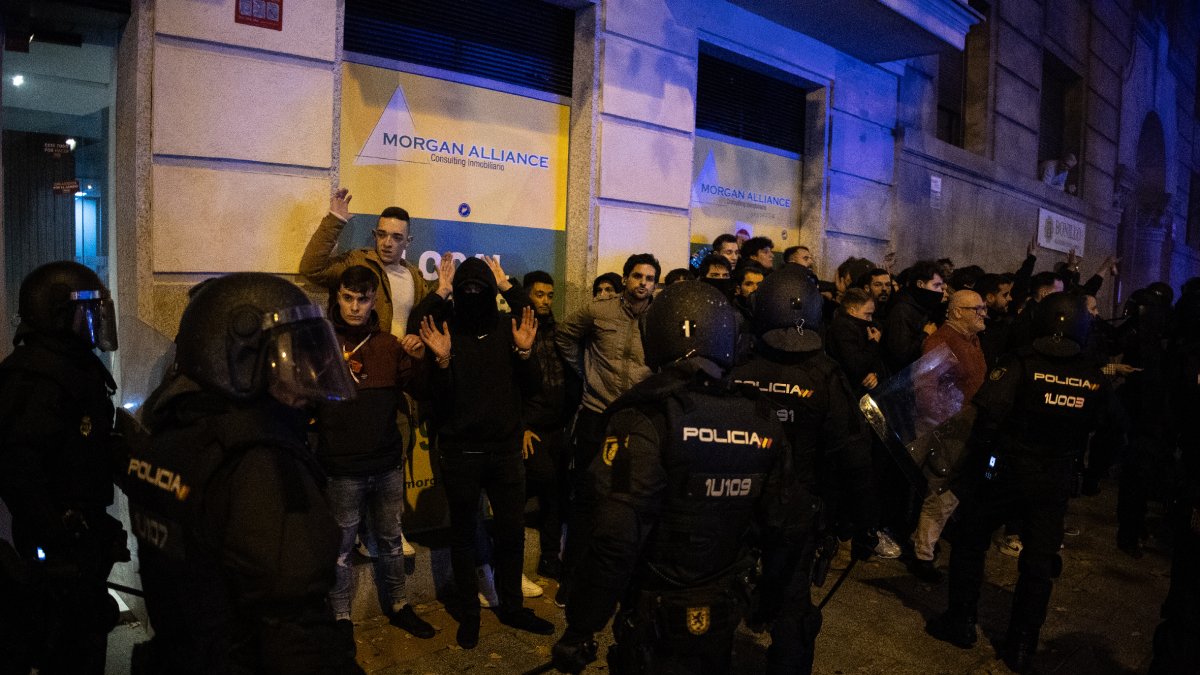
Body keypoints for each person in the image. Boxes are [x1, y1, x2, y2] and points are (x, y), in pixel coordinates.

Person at [122, 272, 363, 674]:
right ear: (238, 358)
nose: (303, 380)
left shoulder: (172, 433)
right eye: (288, 360)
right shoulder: (259, 462)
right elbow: (296, 633)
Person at [551, 281, 792, 674]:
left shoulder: (646, 417)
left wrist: (581, 627)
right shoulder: (761, 418)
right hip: (725, 608)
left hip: (654, 613)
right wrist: (770, 602)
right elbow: (784, 525)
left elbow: (615, 536)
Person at [927, 293, 1108, 674]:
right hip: (1055, 479)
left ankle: (960, 622)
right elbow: (1111, 425)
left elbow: (988, 415)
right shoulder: (1091, 373)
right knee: (1039, 562)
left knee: (971, 541)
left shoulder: (1021, 363)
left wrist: (975, 463)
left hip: (1006, 473)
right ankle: (1022, 644)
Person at [731, 264, 883, 673]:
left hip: (734, 502)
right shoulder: (824, 373)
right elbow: (853, 452)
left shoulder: (737, 365)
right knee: (794, 609)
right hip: (797, 510)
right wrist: (865, 521)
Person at [412, 255, 554, 648]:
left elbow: (533, 384)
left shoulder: (511, 329)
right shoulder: (445, 329)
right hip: (460, 454)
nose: (473, 296)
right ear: (456, 295)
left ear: (493, 294)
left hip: (505, 452)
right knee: (463, 537)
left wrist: (524, 351)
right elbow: (436, 398)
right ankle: (469, 616)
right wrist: (441, 361)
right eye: (465, 290)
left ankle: (512, 608)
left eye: (482, 289)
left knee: (511, 534)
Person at [0, 261, 126, 675]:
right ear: (55, 313)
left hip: (81, 531)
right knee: (61, 643)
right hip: (56, 538)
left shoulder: (72, 366)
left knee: (85, 637)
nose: (92, 321)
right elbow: (19, 465)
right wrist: (55, 532)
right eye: (85, 311)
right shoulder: (34, 376)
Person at [313, 266, 435, 638]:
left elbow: (422, 390)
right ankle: (341, 618)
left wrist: (420, 358)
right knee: (341, 549)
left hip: (385, 464)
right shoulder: (320, 344)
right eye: (347, 298)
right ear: (337, 299)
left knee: (391, 541)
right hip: (341, 467)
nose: (354, 306)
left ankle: (399, 605)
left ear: (372, 302)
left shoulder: (387, 345)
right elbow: (301, 402)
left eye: (362, 299)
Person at [908, 290, 988, 584]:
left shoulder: (972, 340)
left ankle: (923, 543)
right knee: (942, 493)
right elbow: (926, 394)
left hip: (965, 429)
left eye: (983, 308)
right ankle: (923, 556)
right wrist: (948, 426)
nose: (983, 313)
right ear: (956, 312)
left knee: (948, 494)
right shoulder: (940, 342)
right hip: (949, 431)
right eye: (976, 309)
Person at [299, 187, 430, 336]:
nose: (387, 243)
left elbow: (423, 322)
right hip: (362, 354)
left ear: (408, 242)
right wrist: (335, 220)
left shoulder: (415, 278)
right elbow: (311, 268)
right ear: (374, 235)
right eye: (382, 234)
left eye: (396, 237)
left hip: (402, 357)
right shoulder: (357, 261)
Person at [521, 270, 575, 579]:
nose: (545, 300)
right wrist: (521, 426)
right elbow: (509, 383)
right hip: (532, 430)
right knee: (534, 487)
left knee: (556, 494)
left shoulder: (560, 331)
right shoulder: (517, 328)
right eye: (539, 294)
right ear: (527, 294)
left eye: (550, 295)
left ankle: (551, 557)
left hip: (559, 427)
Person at [884, 260, 946, 372]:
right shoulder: (902, 310)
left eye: (941, 287)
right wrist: (925, 334)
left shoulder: (922, 306)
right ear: (920, 284)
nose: (940, 291)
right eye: (936, 285)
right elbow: (900, 355)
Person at [825, 287, 886, 395]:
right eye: (867, 314)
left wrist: (875, 374)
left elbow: (877, 360)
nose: (870, 319)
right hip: (846, 393)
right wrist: (873, 343)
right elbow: (855, 366)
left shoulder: (863, 328)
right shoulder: (842, 329)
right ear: (852, 311)